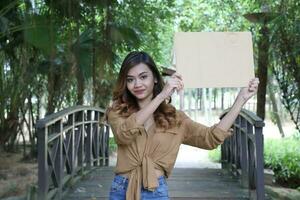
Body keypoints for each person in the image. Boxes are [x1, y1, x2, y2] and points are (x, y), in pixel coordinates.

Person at [106, 51, 259, 200]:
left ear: (155, 79)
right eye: (130, 79)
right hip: (121, 190)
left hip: (155, 191)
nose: (137, 84)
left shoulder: (175, 118)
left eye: (143, 77)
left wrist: (241, 100)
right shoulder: (118, 112)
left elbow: (210, 138)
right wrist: (161, 96)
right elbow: (123, 135)